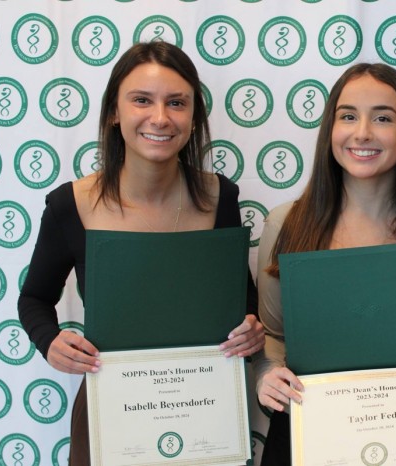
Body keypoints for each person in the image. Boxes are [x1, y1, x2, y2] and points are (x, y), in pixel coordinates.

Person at [17, 41, 264, 465]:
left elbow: (241, 302)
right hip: (110, 413)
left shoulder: (220, 196)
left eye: (177, 103)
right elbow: (34, 298)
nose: (160, 118)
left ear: (193, 116)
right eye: (142, 100)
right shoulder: (69, 204)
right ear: (115, 112)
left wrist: (251, 330)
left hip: (204, 411)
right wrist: (49, 340)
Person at [253, 63, 396, 465]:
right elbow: (272, 339)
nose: (363, 132)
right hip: (309, 435)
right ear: (329, 130)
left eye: (383, 118)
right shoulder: (284, 224)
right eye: (348, 116)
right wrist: (267, 375)